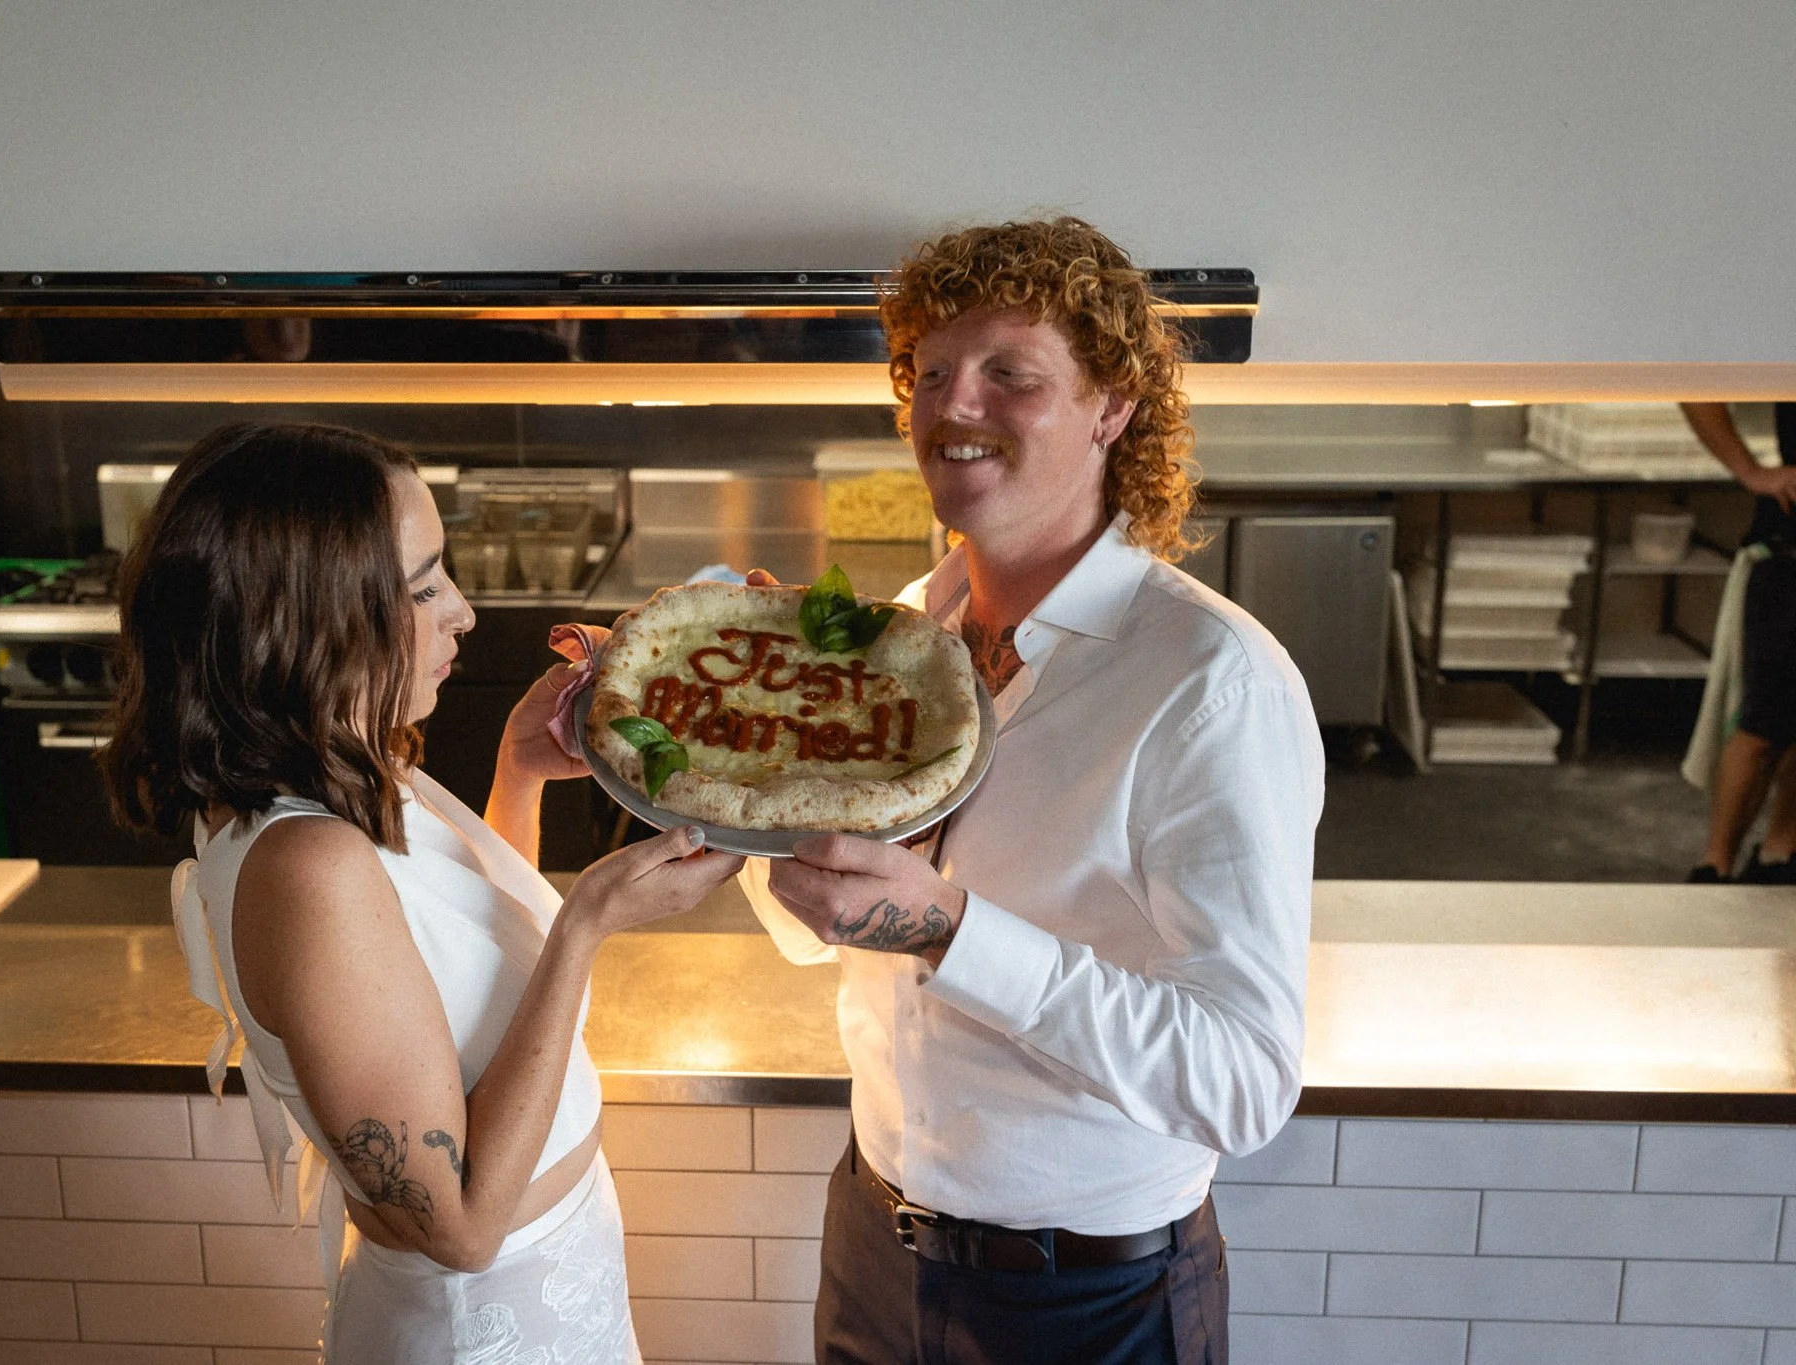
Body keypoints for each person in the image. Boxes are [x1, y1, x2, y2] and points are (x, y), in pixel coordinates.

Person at [741, 219, 1323, 1364]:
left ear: (1110, 407)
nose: (955, 407)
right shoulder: (906, 631)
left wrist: (948, 928)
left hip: (1084, 1302)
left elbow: (1243, 1082)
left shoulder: (1207, 681)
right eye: (932, 372)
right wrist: (758, 760)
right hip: (872, 1242)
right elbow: (818, 936)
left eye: (1010, 374)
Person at [100, 422, 742, 1362]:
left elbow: (461, 971)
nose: (464, 613)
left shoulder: (343, 765)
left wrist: (516, 778)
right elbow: (463, 1226)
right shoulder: (306, 864)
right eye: (424, 585)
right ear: (315, 613)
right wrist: (589, 923)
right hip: (480, 1331)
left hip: (550, 1289)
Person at [1681, 401, 1796, 883]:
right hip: (1788, 553)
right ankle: (1716, 864)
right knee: (1762, 725)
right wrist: (1751, 471)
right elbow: (1696, 384)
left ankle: (1781, 849)